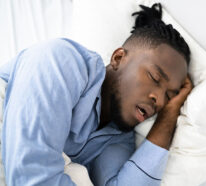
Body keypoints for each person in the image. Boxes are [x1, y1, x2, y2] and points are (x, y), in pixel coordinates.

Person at [0, 3, 192, 186]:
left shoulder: (117, 139)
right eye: (154, 77)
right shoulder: (61, 61)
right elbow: (30, 176)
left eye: (168, 96)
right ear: (118, 58)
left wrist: (169, 116)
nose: (158, 99)